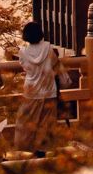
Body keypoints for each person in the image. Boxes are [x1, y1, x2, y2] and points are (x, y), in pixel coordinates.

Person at [14, 21, 62, 154]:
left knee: (26, 121)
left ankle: (26, 148)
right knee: (46, 123)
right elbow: (56, 66)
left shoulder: (22, 52)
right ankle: (42, 150)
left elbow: (25, 67)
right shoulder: (49, 48)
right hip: (48, 90)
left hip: (31, 90)